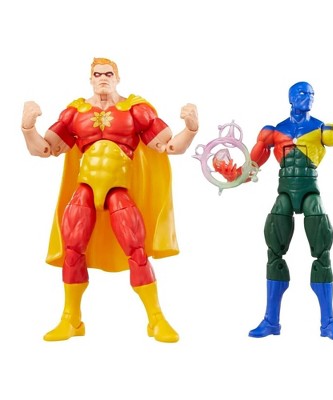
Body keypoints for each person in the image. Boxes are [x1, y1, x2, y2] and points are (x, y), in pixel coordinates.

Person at [21, 57, 199, 343]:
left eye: (108, 73)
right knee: (72, 249)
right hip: (85, 189)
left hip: (118, 189)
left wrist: (190, 129)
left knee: (136, 250)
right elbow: (45, 149)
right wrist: (28, 128)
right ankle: (71, 319)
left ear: (117, 78)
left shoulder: (135, 110)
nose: (102, 77)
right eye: (97, 74)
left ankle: (156, 319)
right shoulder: (75, 112)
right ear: (90, 79)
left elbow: (168, 146)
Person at [214, 58, 333, 340]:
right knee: (273, 253)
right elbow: (251, 167)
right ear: (291, 98)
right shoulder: (273, 131)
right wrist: (231, 174)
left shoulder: (320, 129)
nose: (308, 97)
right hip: (284, 194)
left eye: (311, 94)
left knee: (323, 253)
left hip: (310, 192)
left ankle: (328, 322)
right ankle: (271, 321)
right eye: (303, 93)